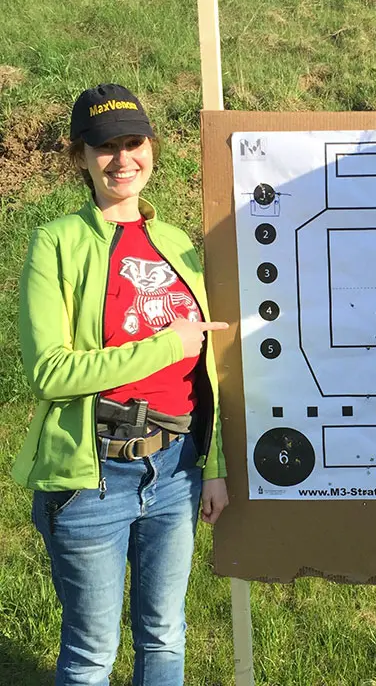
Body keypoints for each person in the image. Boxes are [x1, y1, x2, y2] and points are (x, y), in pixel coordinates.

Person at [13, 83, 230, 686]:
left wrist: (211, 468)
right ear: (79, 156)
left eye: (133, 143)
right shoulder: (55, 242)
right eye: (103, 146)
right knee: (91, 656)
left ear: (152, 149)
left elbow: (207, 369)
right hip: (91, 479)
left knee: (164, 636)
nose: (121, 159)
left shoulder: (180, 244)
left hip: (177, 469)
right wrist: (165, 344)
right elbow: (49, 371)